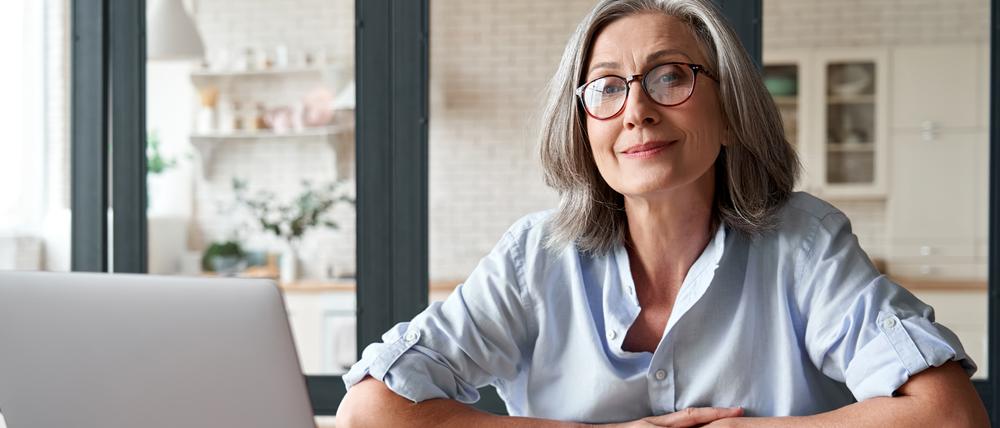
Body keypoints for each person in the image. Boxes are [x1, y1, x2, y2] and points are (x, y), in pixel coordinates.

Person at [336, 0, 990, 426]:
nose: (636, 110)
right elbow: (370, 410)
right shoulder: (534, 256)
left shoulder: (804, 243)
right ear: (583, 126)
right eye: (607, 87)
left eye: (670, 76)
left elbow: (948, 413)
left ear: (729, 112)